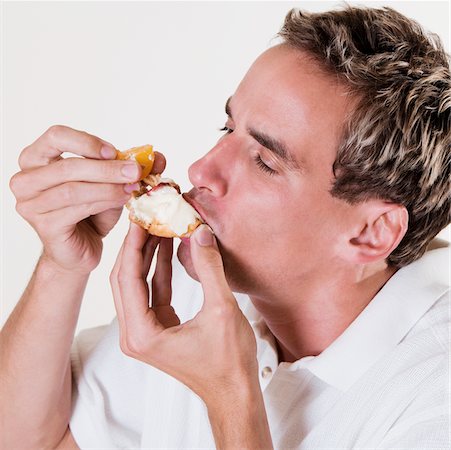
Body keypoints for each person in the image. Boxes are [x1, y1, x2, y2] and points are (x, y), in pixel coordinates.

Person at [1, 5, 450, 449]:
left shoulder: (435, 401)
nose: (200, 170)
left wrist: (230, 396)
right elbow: (29, 438)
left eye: (264, 161)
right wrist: (63, 266)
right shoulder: (201, 290)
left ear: (372, 232)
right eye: (228, 126)